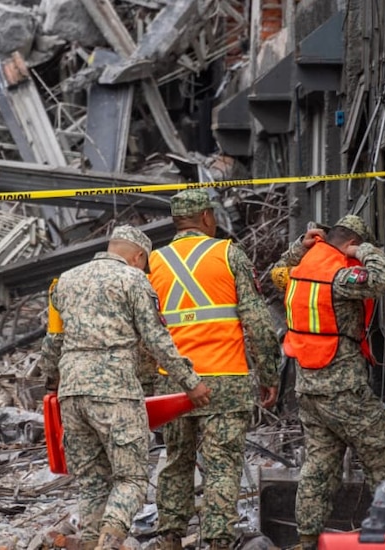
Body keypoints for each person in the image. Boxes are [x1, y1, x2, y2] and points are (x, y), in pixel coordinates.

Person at [40, 225, 212, 550]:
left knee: (92, 481)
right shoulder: (133, 279)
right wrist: (191, 383)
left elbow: (54, 340)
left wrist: (51, 381)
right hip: (115, 391)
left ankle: (92, 543)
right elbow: (156, 339)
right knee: (131, 478)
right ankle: (109, 543)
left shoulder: (66, 280)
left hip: (72, 392)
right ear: (138, 257)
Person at [147, 190, 282, 550]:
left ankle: (169, 536)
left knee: (176, 460)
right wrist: (269, 375)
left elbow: (147, 331)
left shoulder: (155, 262)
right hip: (226, 377)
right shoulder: (228, 253)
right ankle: (218, 541)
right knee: (223, 465)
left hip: (173, 384)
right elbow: (257, 321)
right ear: (207, 217)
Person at [276, 215, 385, 550]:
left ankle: (306, 540)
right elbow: (383, 276)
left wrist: (297, 247)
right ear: (350, 244)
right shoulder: (339, 274)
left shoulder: (302, 266)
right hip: (343, 389)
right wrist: (364, 250)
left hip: (307, 389)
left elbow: (278, 272)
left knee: (318, 469)